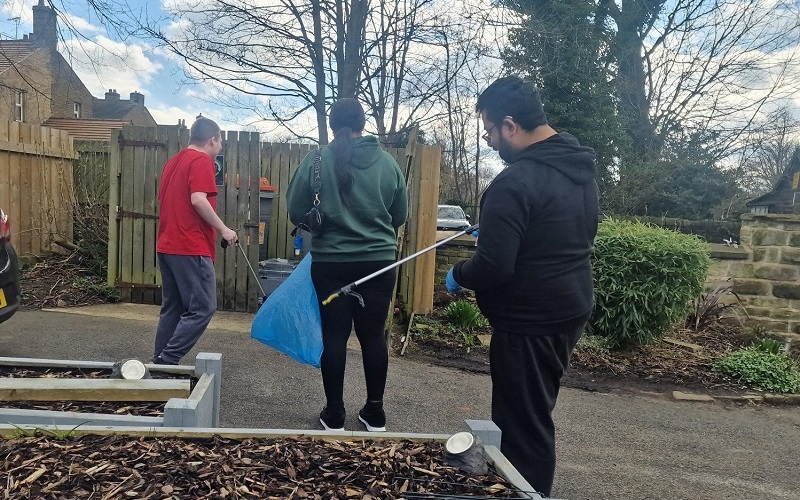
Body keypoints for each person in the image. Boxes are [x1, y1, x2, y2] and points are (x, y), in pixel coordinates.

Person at [446, 76, 598, 496]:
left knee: (523, 425)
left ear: (510, 125)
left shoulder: (516, 182)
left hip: (530, 321)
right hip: (568, 308)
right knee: (531, 412)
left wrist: (458, 274)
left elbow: (494, 266)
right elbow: (568, 234)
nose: (490, 142)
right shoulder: (577, 169)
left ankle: (527, 491)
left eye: (490, 131)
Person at [286, 98, 408, 432]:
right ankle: (375, 413)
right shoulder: (387, 163)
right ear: (363, 122)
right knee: (373, 336)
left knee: (335, 335)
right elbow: (400, 216)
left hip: (331, 264)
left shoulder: (316, 161)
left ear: (331, 124)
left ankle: (335, 414)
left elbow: (295, 211)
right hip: (379, 264)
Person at [153, 117, 238, 365]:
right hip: (190, 246)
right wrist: (224, 229)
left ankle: (159, 365)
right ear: (212, 139)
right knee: (203, 308)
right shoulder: (202, 160)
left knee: (173, 308)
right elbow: (198, 200)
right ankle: (167, 360)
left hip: (167, 246)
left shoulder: (173, 162)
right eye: (220, 141)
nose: (220, 147)